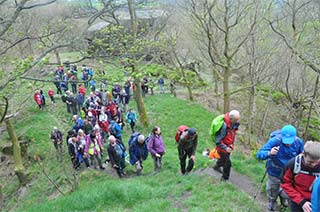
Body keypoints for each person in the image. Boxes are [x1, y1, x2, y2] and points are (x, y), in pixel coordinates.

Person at [256, 125, 304, 211]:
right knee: (272, 191)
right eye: (285, 141)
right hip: (274, 171)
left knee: (289, 192)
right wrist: (269, 153)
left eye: (290, 141)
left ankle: (283, 200)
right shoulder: (275, 140)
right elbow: (259, 154)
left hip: (289, 174)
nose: (287, 143)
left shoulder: (299, 143)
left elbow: (303, 157)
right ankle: (272, 206)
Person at [281, 141, 320, 212]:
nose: (314, 165)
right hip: (297, 199)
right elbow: (285, 184)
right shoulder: (293, 164)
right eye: (310, 162)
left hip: (317, 200)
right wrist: (301, 201)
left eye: (316, 162)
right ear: (303, 154)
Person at [212, 110, 240, 181]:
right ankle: (224, 179)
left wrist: (230, 146)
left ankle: (216, 166)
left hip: (228, 146)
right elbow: (218, 141)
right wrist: (225, 148)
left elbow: (231, 134)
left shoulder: (232, 124)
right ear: (231, 119)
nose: (237, 121)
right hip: (222, 148)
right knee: (227, 163)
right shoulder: (224, 126)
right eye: (236, 120)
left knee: (223, 159)